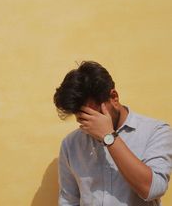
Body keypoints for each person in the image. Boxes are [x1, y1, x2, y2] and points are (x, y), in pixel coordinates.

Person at [53, 61, 172, 206]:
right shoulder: (71, 144)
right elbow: (68, 200)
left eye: (92, 114)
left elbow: (153, 189)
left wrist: (109, 137)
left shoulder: (156, 131)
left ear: (114, 97)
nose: (88, 124)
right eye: (81, 118)